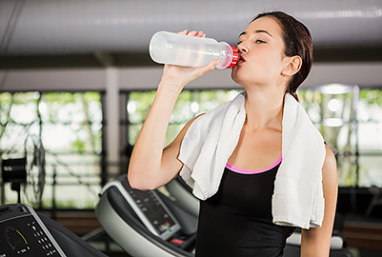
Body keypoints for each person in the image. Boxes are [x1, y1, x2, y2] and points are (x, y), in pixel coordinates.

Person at [128, 11, 338, 257]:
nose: (242, 46)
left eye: (259, 40)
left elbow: (315, 251)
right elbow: (141, 178)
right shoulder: (207, 129)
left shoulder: (317, 157)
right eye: (241, 39)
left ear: (290, 65)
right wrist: (171, 83)